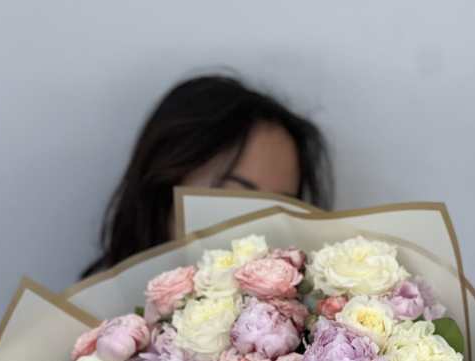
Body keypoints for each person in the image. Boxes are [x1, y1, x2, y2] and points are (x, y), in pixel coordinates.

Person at [83, 74, 333, 276]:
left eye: (281, 208)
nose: (258, 234)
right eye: (237, 196)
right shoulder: (90, 319)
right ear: (165, 184)